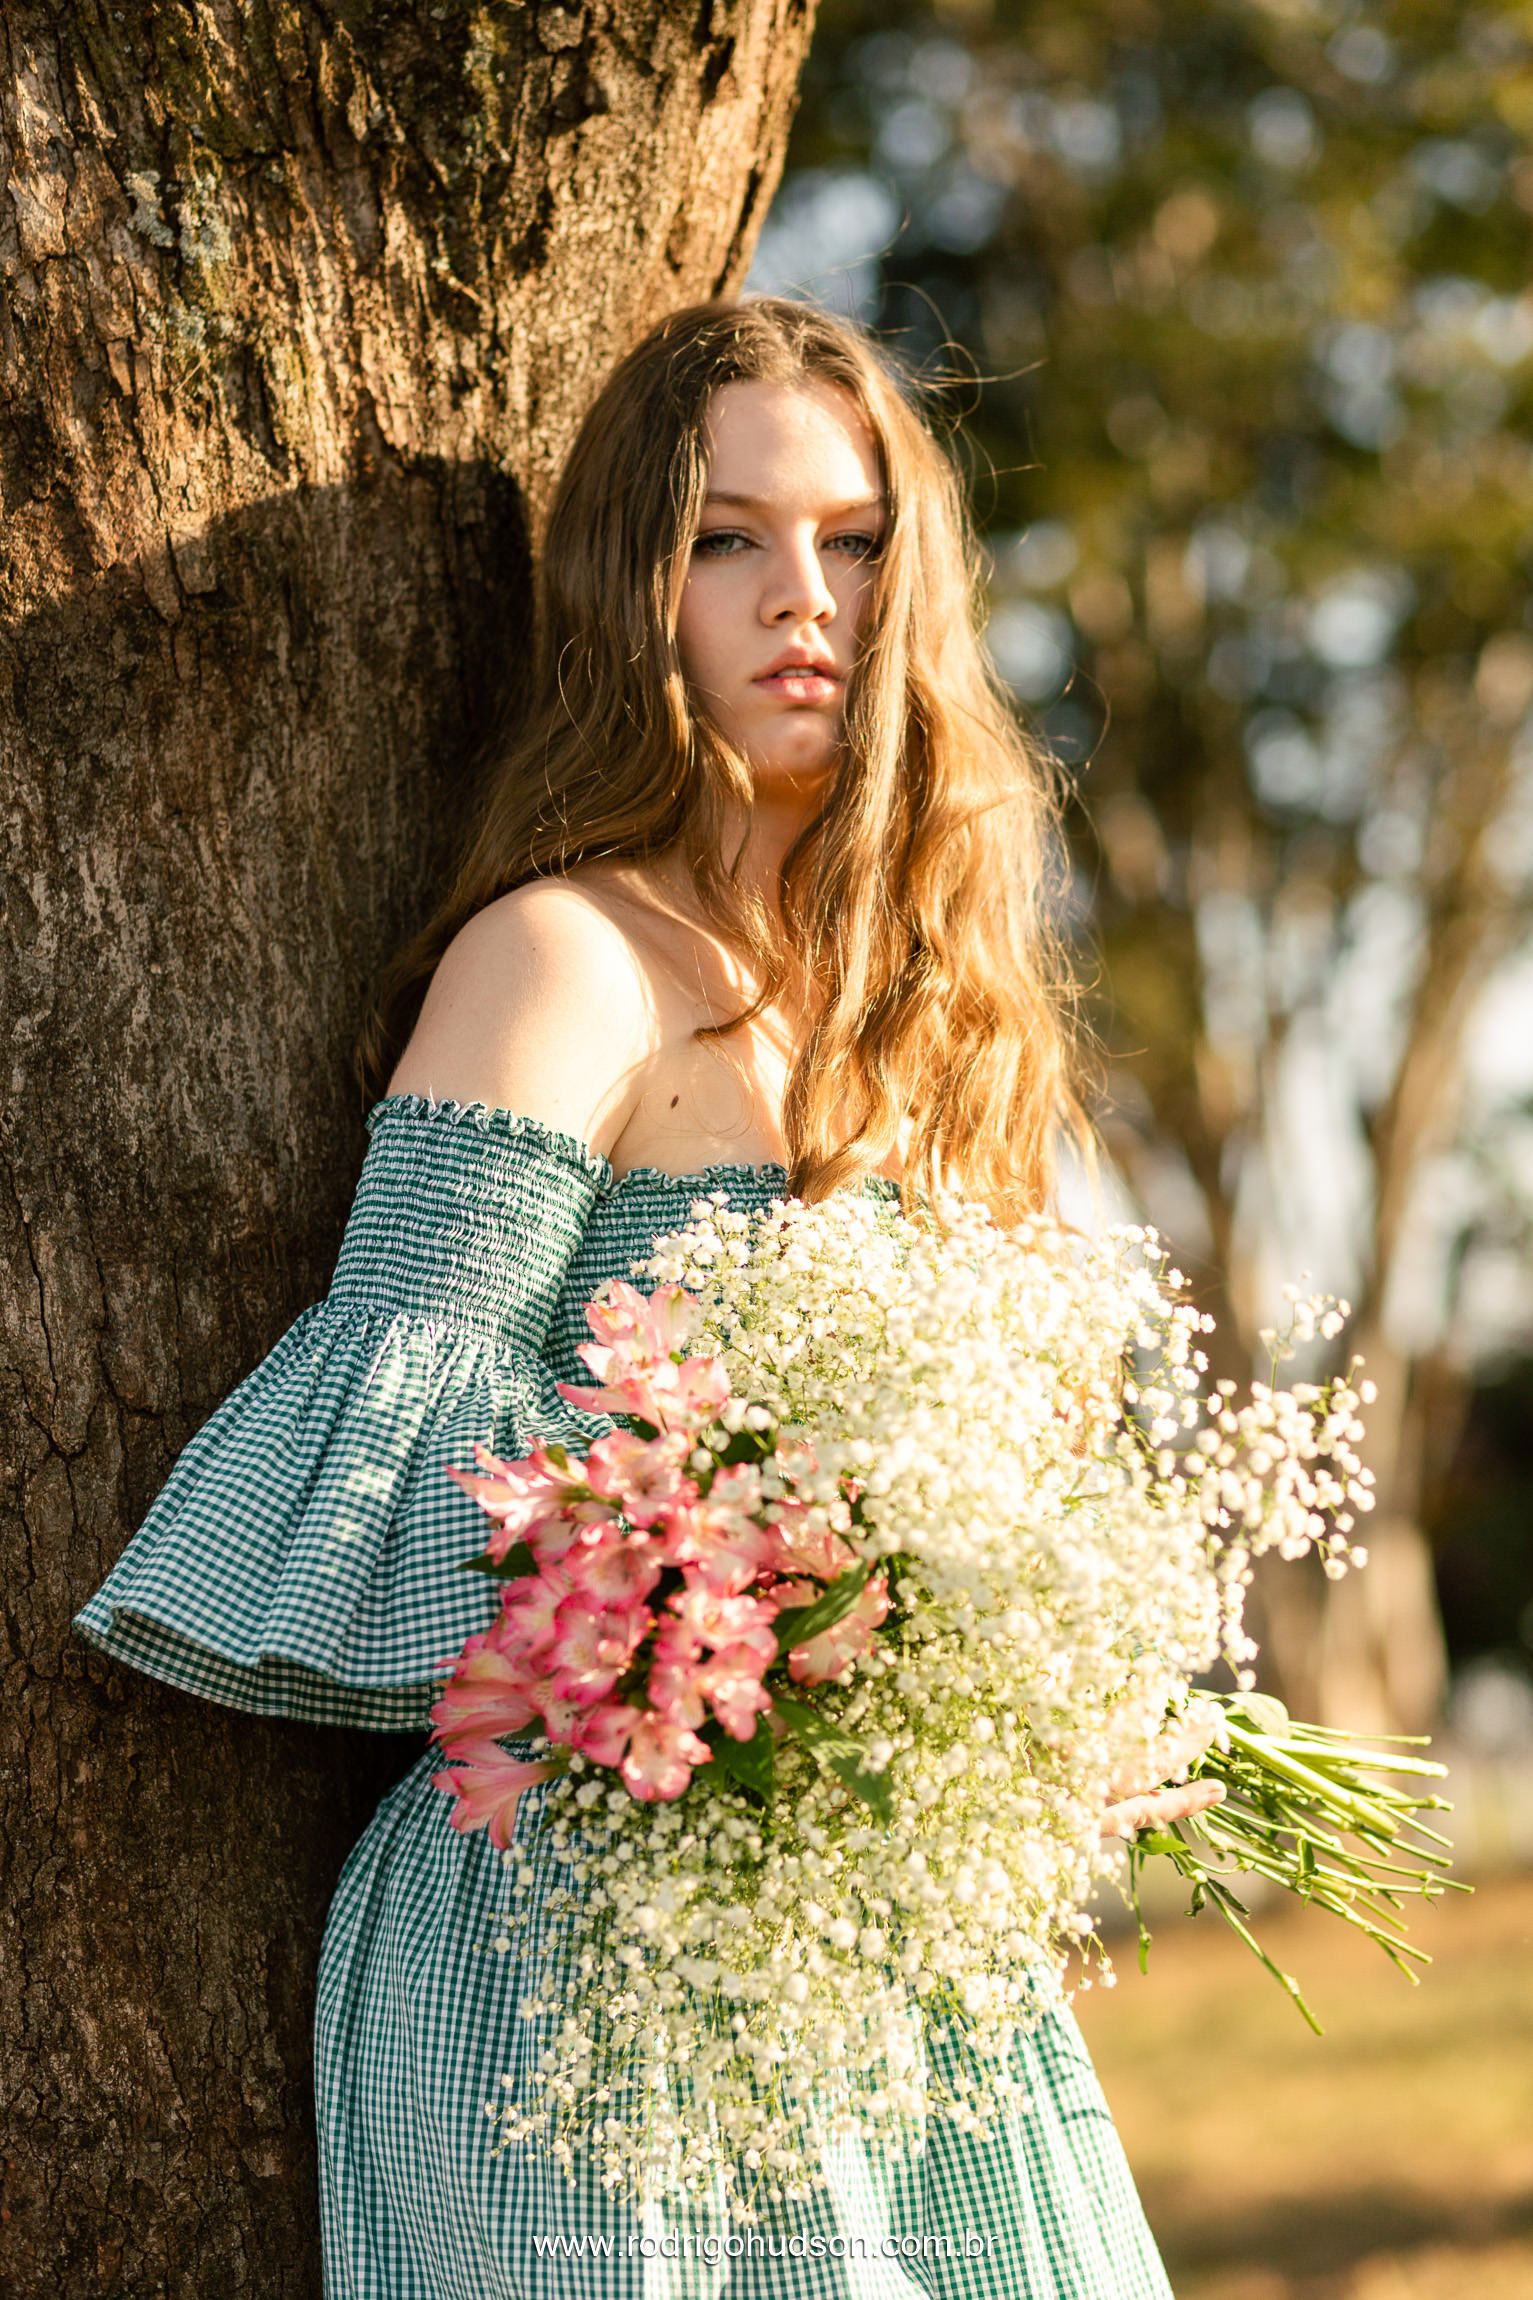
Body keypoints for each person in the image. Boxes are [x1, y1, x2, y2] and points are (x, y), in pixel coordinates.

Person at [74, 296, 1220, 2298]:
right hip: (566, 1976)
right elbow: (394, 1454)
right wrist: (750, 1577)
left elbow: (1029, 1476)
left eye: (854, 539)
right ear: (636, 582)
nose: (803, 599)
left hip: (886, 1958)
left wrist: (1042, 1678)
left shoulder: (944, 1011)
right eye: (724, 537)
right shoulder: (562, 962)